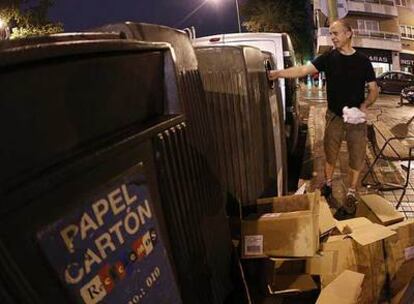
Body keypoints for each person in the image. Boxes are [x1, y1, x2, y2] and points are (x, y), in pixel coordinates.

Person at [268, 19, 379, 215]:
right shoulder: (328, 58)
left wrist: (364, 106)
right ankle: (327, 184)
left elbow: (373, 90)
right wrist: (279, 73)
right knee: (330, 153)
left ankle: (352, 192)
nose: (332, 37)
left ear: (348, 33)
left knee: (357, 156)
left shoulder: (363, 61)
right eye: (331, 33)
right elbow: (303, 70)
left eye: (336, 33)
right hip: (334, 116)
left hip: (356, 120)